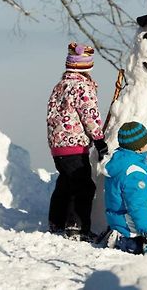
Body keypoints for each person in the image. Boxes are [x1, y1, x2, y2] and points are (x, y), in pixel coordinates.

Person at [47, 42, 108, 241]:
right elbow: (89, 115)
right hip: (75, 145)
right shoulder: (82, 87)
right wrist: (99, 139)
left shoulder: (59, 86)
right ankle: (76, 226)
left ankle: (56, 221)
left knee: (65, 183)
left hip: (58, 147)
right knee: (83, 186)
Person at [102, 121, 147, 254]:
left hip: (118, 218)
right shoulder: (136, 174)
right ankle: (120, 240)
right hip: (131, 223)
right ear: (139, 148)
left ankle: (117, 234)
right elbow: (138, 205)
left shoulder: (121, 161)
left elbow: (129, 170)